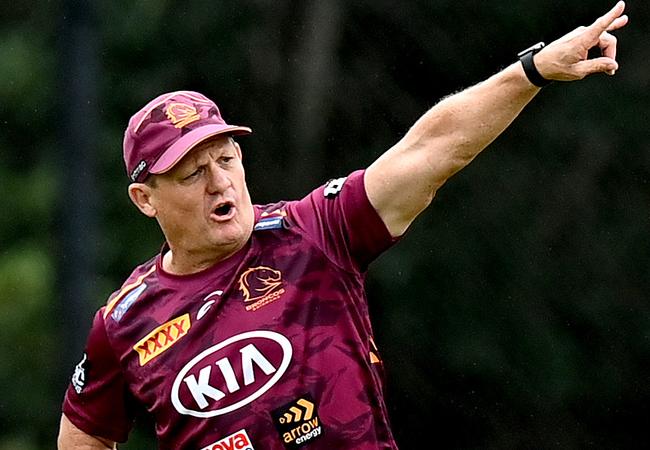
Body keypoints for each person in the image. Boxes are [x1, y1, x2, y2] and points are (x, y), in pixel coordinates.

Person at [58, 3, 628, 449]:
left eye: (226, 160)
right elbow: (85, 432)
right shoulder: (124, 323)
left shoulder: (313, 232)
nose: (220, 183)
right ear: (144, 199)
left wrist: (532, 70)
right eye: (191, 174)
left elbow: (431, 150)